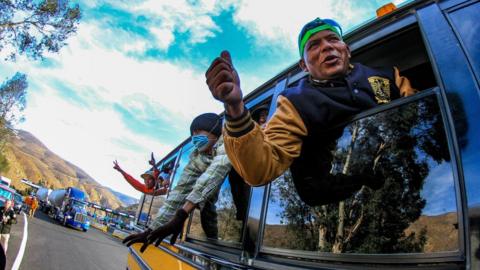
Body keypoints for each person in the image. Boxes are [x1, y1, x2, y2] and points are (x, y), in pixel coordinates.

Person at [205, 18, 416, 206]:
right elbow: (262, 167)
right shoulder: (295, 102)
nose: (326, 47)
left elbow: (416, 118)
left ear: (347, 50)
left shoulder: (388, 76)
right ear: (304, 65)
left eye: (333, 39)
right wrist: (235, 108)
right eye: (314, 45)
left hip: (407, 181)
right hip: (353, 201)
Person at [123, 113, 231, 252]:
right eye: (192, 134)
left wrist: (182, 215)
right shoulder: (197, 158)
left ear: (214, 131)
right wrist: (150, 230)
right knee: (205, 205)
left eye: (198, 132)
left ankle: (214, 241)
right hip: (209, 214)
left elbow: (214, 173)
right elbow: (178, 194)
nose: (194, 138)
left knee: (207, 204)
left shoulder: (230, 141)